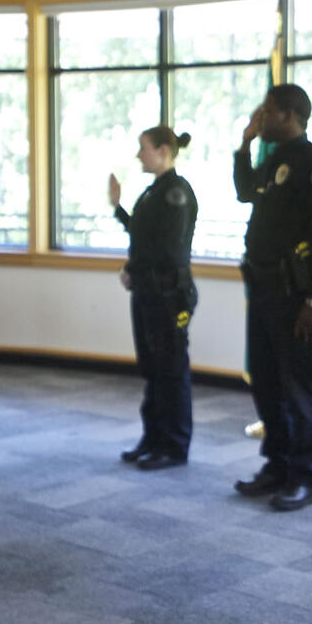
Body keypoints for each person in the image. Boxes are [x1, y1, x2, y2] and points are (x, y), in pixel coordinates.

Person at [232, 83, 312, 512]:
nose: (261, 116)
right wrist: (245, 144)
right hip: (263, 289)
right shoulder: (274, 158)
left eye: (269, 111)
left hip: (295, 295)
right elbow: (244, 191)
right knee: (268, 382)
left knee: (301, 387)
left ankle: (306, 476)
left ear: (290, 115)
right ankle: (276, 465)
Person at [108, 126, 198, 471]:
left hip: (168, 294)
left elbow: (167, 249)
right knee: (152, 368)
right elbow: (142, 236)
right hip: (148, 291)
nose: (138, 155)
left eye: (143, 148)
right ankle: (153, 437)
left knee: (171, 369)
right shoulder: (154, 192)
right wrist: (118, 208)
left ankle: (173, 445)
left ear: (163, 151)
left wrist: (136, 267)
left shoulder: (176, 192)